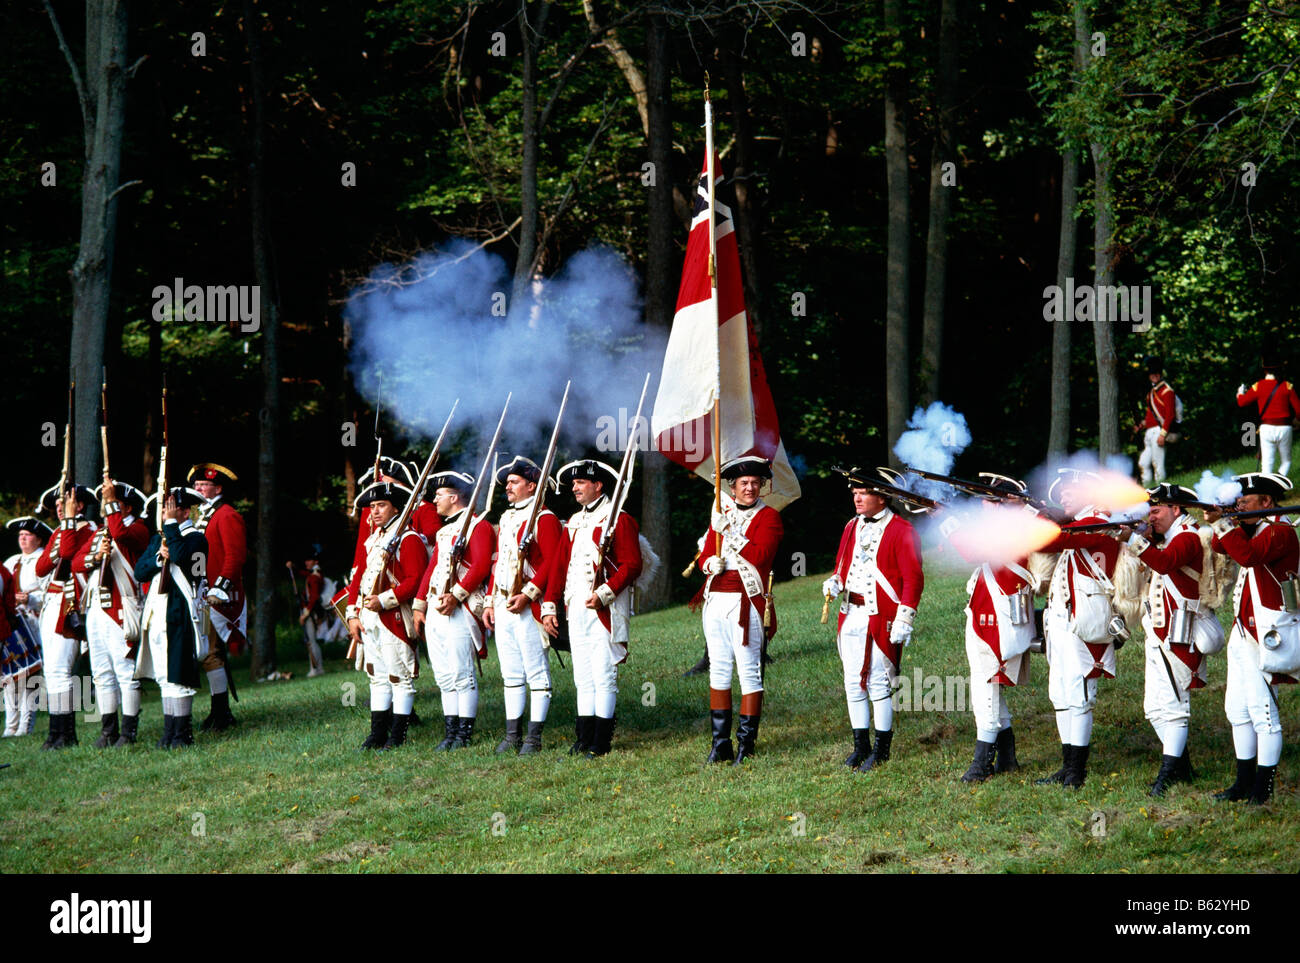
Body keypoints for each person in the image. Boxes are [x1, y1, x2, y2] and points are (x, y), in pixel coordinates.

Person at [822, 469, 924, 773]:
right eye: (854, 492)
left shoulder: (902, 530)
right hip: (850, 613)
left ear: (882, 496)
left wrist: (906, 615)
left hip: (883, 616)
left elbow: (913, 579)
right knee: (853, 682)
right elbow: (843, 564)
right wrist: (835, 581)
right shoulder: (851, 526)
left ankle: (882, 749)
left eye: (863, 492)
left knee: (878, 683)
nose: (856, 497)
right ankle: (860, 746)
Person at [936, 473, 1036, 782]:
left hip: (1001, 618)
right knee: (985, 686)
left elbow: (972, 551)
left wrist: (947, 519)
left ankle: (982, 763)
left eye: (990, 501)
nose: (983, 505)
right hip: (985, 615)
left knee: (986, 689)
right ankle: (1007, 757)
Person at [1207, 472, 1298, 804]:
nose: (1239, 507)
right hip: (1243, 632)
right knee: (1238, 710)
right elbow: (1220, 546)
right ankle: (1242, 782)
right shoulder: (1256, 528)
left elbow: (1247, 556)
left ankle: (1263, 788)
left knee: (1263, 713)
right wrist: (1228, 521)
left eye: (1244, 502)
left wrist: (1226, 523)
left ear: (1266, 502)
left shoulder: (1280, 531)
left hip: (1267, 634)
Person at [541, 460, 643, 758]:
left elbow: (632, 564)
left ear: (598, 485)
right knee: (582, 675)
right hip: (576, 608)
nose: (575, 488)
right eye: (573, 484)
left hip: (605, 608)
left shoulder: (618, 519)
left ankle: (601, 742)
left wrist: (604, 594)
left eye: (581, 483)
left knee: (603, 673)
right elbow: (560, 567)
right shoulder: (573, 522)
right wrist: (550, 606)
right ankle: (583, 739)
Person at [1113, 484, 1209, 796]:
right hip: (1159, 629)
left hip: (1180, 631)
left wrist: (1133, 540)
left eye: (1156, 510)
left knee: (1174, 706)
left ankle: (1168, 774)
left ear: (1176, 509)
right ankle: (1181, 767)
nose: (1151, 516)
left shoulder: (1188, 536)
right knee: (1154, 708)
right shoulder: (1169, 535)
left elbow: (1166, 563)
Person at [1033, 470, 1124, 789]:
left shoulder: (1101, 519)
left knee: (1080, 694)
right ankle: (1067, 764)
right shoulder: (1079, 522)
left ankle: (1077, 771)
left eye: (1072, 490)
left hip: (1085, 620)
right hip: (1061, 619)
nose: (1064, 496)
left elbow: (1057, 538)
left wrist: (1036, 517)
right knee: (1060, 693)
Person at [695, 457, 783, 765]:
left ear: (762, 486)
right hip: (716, 598)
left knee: (748, 671)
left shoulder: (769, 517)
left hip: (747, 601)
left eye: (755, 483)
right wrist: (710, 563)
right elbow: (705, 553)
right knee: (718, 669)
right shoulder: (721, 515)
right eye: (743, 483)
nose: (749, 487)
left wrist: (730, 530)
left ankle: (746, 744)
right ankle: (720, 744)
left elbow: (760, 555)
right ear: (732, 487)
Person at [484, 456, 561, 755]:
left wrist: (528, 595)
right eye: (507, 483)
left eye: (514, 482)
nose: (508, 488)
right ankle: (512, 734)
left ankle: (534, 737)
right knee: (511, 673)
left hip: (530, 604)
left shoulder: (544, 518)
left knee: (535, 671)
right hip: (504, 603)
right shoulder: (506, 518)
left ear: (532, 486)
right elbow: (499, 563)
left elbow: (553, 563)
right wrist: (490, 602)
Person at [413, 471, 493, 751]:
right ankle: (450, 733)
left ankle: (464, 734)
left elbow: (482, 565)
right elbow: (432, 569)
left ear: (454, 496)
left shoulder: (478, 526)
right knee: (445, 675)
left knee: (462, 673)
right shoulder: (445, 531)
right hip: (436, 608)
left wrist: (456, 596)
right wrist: (419, 604)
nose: (434, 498)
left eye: (439, 494)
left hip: (460, 608)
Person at [344, 481, 427, 750]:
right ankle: (377, 734)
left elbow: (415, 580)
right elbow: (361, 579)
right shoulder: (376, 538)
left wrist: (384, 599)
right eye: (372, 507)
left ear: (396, 508)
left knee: (399, 677)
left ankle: (397, 736)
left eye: (381, 506)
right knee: (376, 675)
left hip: (394, 618)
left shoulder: (409, 538)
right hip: (370, 618)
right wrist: (353, 614)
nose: (374, 512)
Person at [134, 487, 209, 748]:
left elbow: (183, 559)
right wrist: (158, 558)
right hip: (157, 612)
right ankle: (169, 733)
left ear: (185, 511)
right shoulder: (160, 539)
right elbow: (139, 571)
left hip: (181, 613)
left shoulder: (196, 538)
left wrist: (170, 527)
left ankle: (182, 733)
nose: (164, 512)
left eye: (169, 507)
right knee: (165, 675)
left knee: (179, 674)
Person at [77, 478, 150, 747]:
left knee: (125, 671)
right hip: (96, 609)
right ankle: (109, 730)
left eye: (115, 503)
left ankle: (128, 733)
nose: (108, 508)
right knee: (101, 672)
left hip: (121, 607)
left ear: (127, 508)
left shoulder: (138, 529)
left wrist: (109, 505)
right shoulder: (100, 534)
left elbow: (120, 535)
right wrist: (95, 558)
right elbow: (75, 560)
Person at [33, 484, 99, 749]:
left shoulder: (89, 530)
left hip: (70, 604)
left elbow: (71, 555)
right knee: (52, 671)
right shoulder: (61, 531)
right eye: (58, 506)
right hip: (52, 601)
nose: (59, 509)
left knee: (60, 669)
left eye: (64, 504)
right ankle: (56, 732)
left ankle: (65, 733)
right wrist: (56, 547)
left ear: (79, 505)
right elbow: (40, 568)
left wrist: (68, 529)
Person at [188, 463, 245, 730]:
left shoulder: (226, 515)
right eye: (196, 485)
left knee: (211, 652)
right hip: (200, 593)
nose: (198, 489)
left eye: (203, 485)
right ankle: (218, 709)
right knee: (207, 653)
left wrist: (219, 589)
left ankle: (221, 711)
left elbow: (235, 556)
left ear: (218, 488)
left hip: (216, 596)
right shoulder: (202, 516)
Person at [3, 517, 52, 737]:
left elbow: (52, 592)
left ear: (39, 538)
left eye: (28, 535)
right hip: (13, 624)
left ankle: (26, 724)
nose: (22, 539)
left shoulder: (44, 558)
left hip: (34, 621)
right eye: (20, 535)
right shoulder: (11, 561)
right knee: (10, 675)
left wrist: (29, 600)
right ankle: (10, 725)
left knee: (30, 674)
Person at [1237, 358, 1300, 475]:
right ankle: (1279, 482)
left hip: (1266, 429)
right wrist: (1296, 420)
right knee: (1286, 462)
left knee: (1266, 464)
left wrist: (1240, 392)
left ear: (1264, 370)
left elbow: (1241, 402)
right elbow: (1299, 410)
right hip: (1285, 428)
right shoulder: (1287, 386)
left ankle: (1267, 490)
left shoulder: (1258, 386)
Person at [1136, 356, 1179, 485]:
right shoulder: (1151, 394)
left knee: (1158, 465)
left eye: (1156, 373)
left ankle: (1161, 494)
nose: (1154, 376)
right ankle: (1147, 489)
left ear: (1160, 374)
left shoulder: (1167, 392)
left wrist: (1163, 434)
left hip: (1159, 432)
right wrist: (1142, 425)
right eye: (1152, 374)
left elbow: (1170, 415)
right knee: (1143, 463)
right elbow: (1150, 415)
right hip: (1149, 433)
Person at [287, 545, 326, 677]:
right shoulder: (314, 574)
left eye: (309, 560)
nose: (306, 563)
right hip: (311, 611)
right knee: (311, 640)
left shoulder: (315, 577)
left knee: (311, 641)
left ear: (316, 562)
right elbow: (302, 573)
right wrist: (293, 567)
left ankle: (316, 668)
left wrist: (305, 614)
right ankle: (316, 668)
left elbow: (314, 597)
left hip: (311, 612)